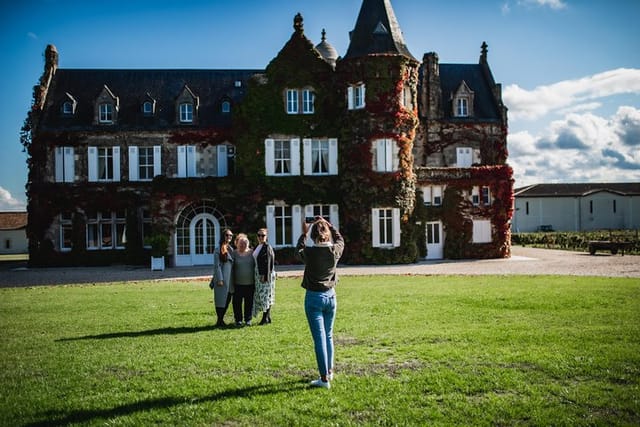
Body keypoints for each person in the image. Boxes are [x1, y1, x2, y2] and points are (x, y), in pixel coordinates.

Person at [296, 217, 344, 389]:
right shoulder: (334, 251)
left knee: (320, 339)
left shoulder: (309, 253)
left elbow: (299, 247)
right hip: (331, 296)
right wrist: (329, 225)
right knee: (329, 335)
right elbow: (340, 240)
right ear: (327, 234)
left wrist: (304, 232)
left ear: (314, 236)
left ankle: (324, 379)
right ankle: (329, 371)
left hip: (314, 298)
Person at [252, 227, 276, 325]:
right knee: (262, 295)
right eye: (259, 235)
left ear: (266, 236)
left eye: (263, 235)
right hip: (258, 274)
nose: (261, 237)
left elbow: (269, 263)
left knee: (266, 296)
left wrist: (265, 276)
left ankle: (264, 318)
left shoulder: (267, 247)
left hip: (265, 275)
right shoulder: (257, 246)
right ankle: (268, 317)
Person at [232, 233, 256, 327]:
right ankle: (238, 320)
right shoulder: (234, 253)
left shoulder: (252, 253)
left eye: (245, 242)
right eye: (241, 243)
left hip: (250, 283)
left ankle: (248, 319)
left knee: (249, 302)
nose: (243, 244)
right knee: (237, 303)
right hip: (237, 283)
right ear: (237, 243)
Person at [211, 229, 234, 327]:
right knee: (220, 300)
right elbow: (217, 266)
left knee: (227, 299)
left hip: (230, 279)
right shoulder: (218, 249)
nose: (229, 237)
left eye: (231, 235)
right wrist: (220, 279)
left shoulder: (231, 249)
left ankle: (221, 320)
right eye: (227, 235)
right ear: (223, 236)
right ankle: (219, 320)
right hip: (221, 279)